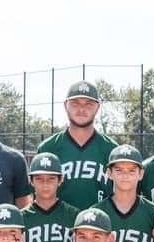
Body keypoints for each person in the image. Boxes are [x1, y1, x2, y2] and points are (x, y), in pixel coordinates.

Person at [37, 81, 117, 209]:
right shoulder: (48, 149)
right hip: (59, 226)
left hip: (99, 226)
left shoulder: (112, 150)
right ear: (65, 105)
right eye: (75, 104)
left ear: (97, 107)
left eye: (88, 104)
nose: (81, 109)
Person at [91, 144, 154, 242]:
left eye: (132, 170)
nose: (125, 175)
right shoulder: (96, 213)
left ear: (141, 174)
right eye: (119, 169)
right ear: (109, 173)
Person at [21, 152, 79, 242]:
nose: (45, 184)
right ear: (31, 181)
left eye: (51, 178)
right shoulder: (20, 218)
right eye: (39, 179)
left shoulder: (74, 216)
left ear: (60, 180)